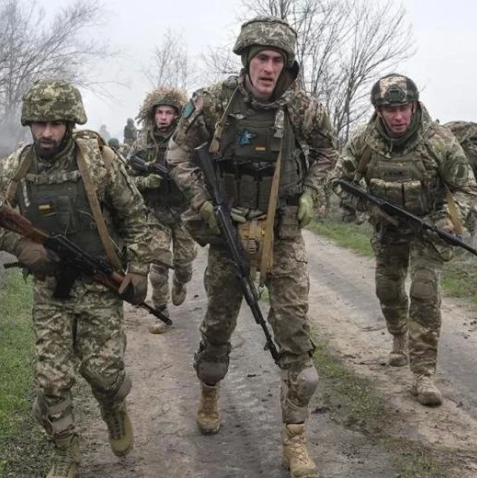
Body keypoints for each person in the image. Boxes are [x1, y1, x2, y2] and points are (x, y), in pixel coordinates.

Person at [166, 16, 336, 478]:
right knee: (219, 325)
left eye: (277, 60)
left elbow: (328, 152)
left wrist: (312, 192)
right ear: (246, 60)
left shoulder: (303, 108)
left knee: (294, 333)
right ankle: (209, 390)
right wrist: (202, 203)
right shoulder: (214, 103)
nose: (268, 68)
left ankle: (295, 436)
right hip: (228, 233)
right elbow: (177, 154)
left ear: (287, 64)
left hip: (282, 234)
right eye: (261, 58)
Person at [0, 79, 152, 478]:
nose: (47, 132)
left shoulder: (100, 163)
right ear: (29, 124)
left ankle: (113, 407)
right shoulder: (16, 168)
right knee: (52, 380)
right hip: (51, 289)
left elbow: (137, 219)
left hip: (101, 284)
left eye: (56, 124)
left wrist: (139, 270)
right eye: (39, 124)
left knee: (104, 373)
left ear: (70, 123)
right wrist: (21, 246)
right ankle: (65, 449)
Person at [332, 73, 477, 407]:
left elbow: (467, 188)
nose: (398, 117)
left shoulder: (438, 141)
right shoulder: (364, 142)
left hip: (429, 229)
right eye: (390, 110)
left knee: (424, 293)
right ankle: (398, 335)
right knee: (387, 290)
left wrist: (448, 219)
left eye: (404, 108)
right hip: (388, 230)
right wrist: (370, 207)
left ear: (414, 106)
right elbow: (339, 181)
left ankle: (423, 374)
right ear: (379, 110)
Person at [127, 86, 197, 334]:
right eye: (160, 112)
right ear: (152, 114)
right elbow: (125, 180)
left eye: (169, 112)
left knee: (184, 265)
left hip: (183, 211)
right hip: (156, 212)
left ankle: (180, 282)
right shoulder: (142, 143)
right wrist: (147, 182)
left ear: (176, 115)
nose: (164, 117)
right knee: (158, 268)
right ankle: (161, 312)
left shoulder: (185, 141)